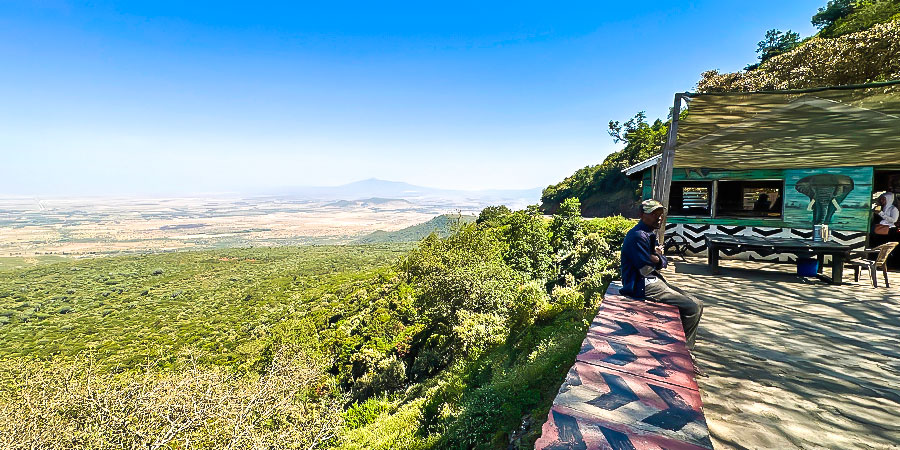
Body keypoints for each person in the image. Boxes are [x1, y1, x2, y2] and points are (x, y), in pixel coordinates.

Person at [621, 199, 703, 351]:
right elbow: (646, 267)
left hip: (650, 280)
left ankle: (682, 345)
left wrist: (657, 258)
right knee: (693, 307)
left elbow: (654, 260)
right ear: (641, 215)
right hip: (641, 285)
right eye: (653, 214)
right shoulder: (638, 236)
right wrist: (659, 258)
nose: (659, 217)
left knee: (695, 303)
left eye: (660, 214)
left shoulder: (647, 234)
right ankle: (684, 350)